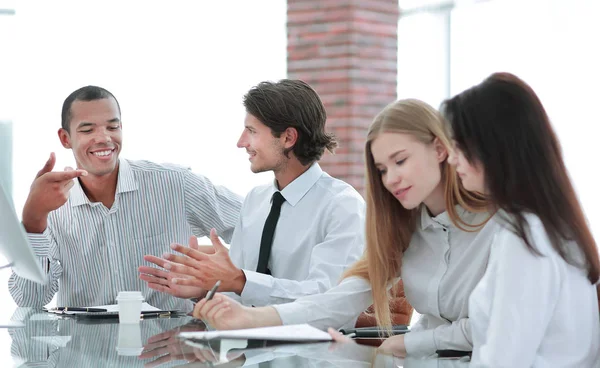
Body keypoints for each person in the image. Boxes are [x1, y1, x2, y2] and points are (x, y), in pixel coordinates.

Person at [191, 98, 499, 357]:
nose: (390, 179)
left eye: (400, 161)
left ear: (440, 150)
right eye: (381, 169)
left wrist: (407, 342)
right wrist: (249, 317)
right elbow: (339, 300)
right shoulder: (402, 228)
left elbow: (495, 325)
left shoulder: (499, 224)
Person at [9, 86, 243, 311]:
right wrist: (34, 220)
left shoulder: (177, 184)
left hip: (169, 344)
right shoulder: (51, 207)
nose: (104, 138)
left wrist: (220, 283)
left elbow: (261, 231)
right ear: (65, 138)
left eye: (112, 127)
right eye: (87, 130)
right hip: (86, 348)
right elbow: (30, 300)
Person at [139, 79, 365, 307]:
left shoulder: (342, 206)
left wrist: (239, 281)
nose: (241, 142)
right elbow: (240, 292)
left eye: (252, 131)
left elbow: (328, 297)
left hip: (317, 341)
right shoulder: (256, 200)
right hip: (247, 339)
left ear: (288, 138)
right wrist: (202, 290)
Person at [444, 72, 600, 367]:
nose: (453, 160)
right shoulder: (556, 225)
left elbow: (504, 361)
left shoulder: (525, 235)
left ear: (493, 147)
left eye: (459, 146)